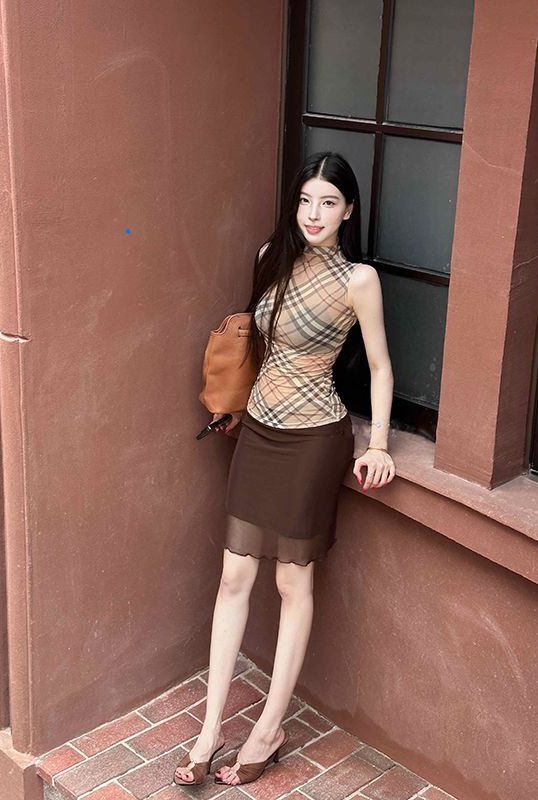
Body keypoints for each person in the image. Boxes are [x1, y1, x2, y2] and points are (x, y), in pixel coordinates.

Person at [174, 151, 395, 788]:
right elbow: (257, 342)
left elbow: (379, 366)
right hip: (259, 432)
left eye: (328, 202)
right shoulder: (272, 254)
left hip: (313, 441)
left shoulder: (359, 280)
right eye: (305, 200)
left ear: (348, 211)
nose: (313, 214)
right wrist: (235, 402)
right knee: (233, 577)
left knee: (291, 584)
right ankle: (209, 731)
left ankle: (269, 730)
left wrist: (379, 445)